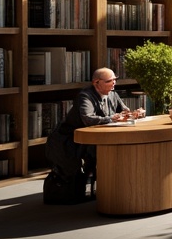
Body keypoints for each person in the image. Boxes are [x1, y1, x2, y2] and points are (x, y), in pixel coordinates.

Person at [44, 68, 144, 204]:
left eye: (115, 80)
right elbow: (88, 119)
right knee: (76, 169)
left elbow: (124, 112)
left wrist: (134, 113)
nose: (114, 83)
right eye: (110, 81)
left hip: (97, 138)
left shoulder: (113, 95)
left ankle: (109, 190)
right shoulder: (85, 96)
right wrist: (112, 118)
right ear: (96, 83)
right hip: (69, 140)